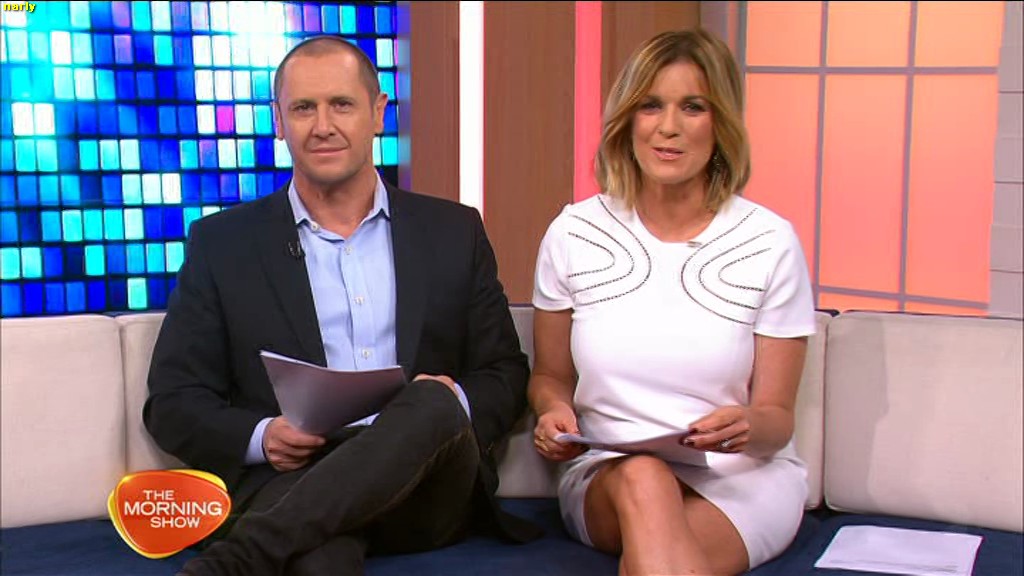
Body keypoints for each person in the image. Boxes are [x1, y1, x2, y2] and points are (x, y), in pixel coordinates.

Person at [144, 35, 538, 576]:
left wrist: (450, 406)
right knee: (318, 556)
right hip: (297, 479)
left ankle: (234, 562)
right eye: (303, 108)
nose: (323, 125)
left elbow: (505, 373)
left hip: (426, 488)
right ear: (279, 121)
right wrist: (263, 437)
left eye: (342, 104)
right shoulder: (223, 244)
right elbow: (173, 402)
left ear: (377, 113)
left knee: (430, 400)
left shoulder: (453, 231)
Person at [528, 28, 815, 576]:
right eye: (651, 106)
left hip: (740, 478)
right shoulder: (575, 232)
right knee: (645, 476)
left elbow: (777, 420)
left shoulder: (769, 241)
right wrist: (552, 411)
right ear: (628, 120)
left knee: (663, 553)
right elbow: (550, 377)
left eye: (693, 107)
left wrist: (748, 426)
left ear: (721, 122)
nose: (669, 127)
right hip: (610, 472)